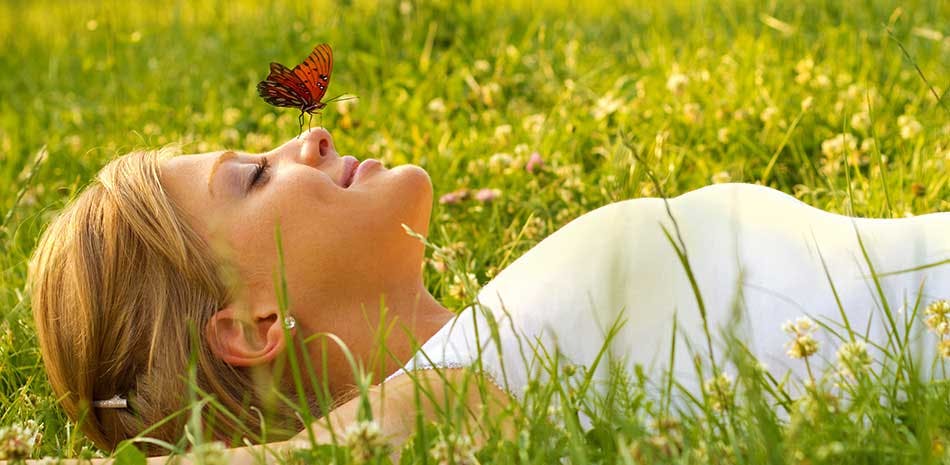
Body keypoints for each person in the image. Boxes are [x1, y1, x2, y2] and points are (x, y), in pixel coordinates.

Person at [27, 127, 950, 463]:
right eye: (253, 178)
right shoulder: (461, 389)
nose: (303, 139)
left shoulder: (489, 344)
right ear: (253, 324)